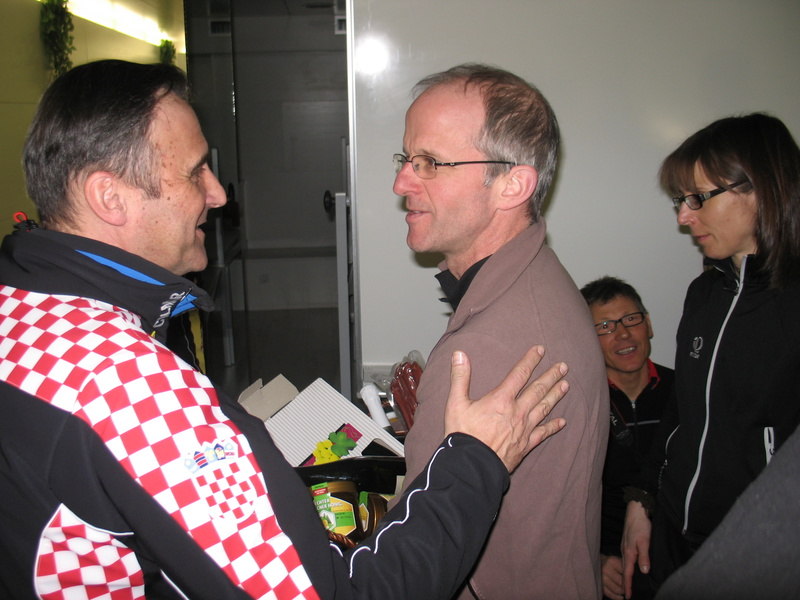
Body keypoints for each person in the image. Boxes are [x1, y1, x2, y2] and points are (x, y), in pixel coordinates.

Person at [0, 59, 573, 599]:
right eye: (196, 171)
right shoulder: (126, 384)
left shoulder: (23, 305)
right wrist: (475, 458)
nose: (218, 194)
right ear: (110, 197)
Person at [393, 63, 608, 599]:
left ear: (513, 185)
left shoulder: (484, 349)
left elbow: (415, 559)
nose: (401, 183)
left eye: (430, 163)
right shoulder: (534, 276)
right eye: (406, 159)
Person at [621, 113, 800, 598]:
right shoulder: (704, 293)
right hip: (673, 533)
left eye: (698, 198)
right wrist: (642, 500)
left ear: (762, 189)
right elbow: (680, 411)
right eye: (680, 200)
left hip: (755, 551)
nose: (684, 217)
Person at [580, 276, 674, 600]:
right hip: (610, 570)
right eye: (605, 327)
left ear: (648, 324)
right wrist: (594, 561)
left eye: (631, 319)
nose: (622, 334)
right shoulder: (578, 404)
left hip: (681, 564)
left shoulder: (686, 392)